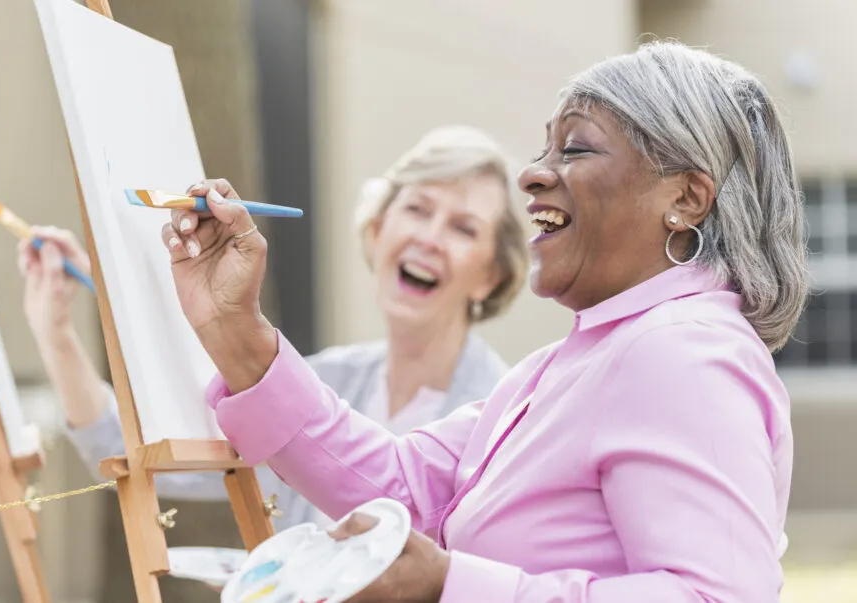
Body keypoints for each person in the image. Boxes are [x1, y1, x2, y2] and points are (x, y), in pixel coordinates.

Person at [161, 40, 808, 602]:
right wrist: (233, 327)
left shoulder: (681, 351)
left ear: (685, 198)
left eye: (576, 148)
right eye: (544, 147)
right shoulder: (570, 363)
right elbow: (400, 486)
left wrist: (450, 585)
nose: (532, 174)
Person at [19, 126, 529, 529]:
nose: (430, 238)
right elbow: (130, 449)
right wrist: (56, 331)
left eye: (463, 228)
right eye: (417, 209)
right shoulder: (319, 382)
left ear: (492, 275)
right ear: (377, 229)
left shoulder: (504, 418)